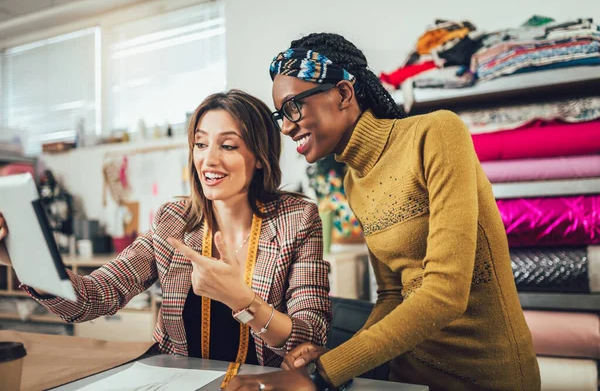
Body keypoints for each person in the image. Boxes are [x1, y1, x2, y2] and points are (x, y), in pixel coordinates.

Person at [224, 34, 540, 391]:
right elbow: (392, 295)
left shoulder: (435, 133)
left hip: (485, 377)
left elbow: (446, 293)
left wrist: (323, 372)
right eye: (280, 114)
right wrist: (330, 357)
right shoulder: (354, 182)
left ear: (344, 94)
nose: (285, 126)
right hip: (406, 377)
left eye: (294, 107)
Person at [0, 90, 331, 386]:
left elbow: (309, 332)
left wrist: (244, 302)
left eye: (227, 145)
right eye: (200, 144)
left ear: (260, 157)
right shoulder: (174, 219)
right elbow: (98, 295)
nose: (208, 159)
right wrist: (24, 258)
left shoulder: (296, 220)